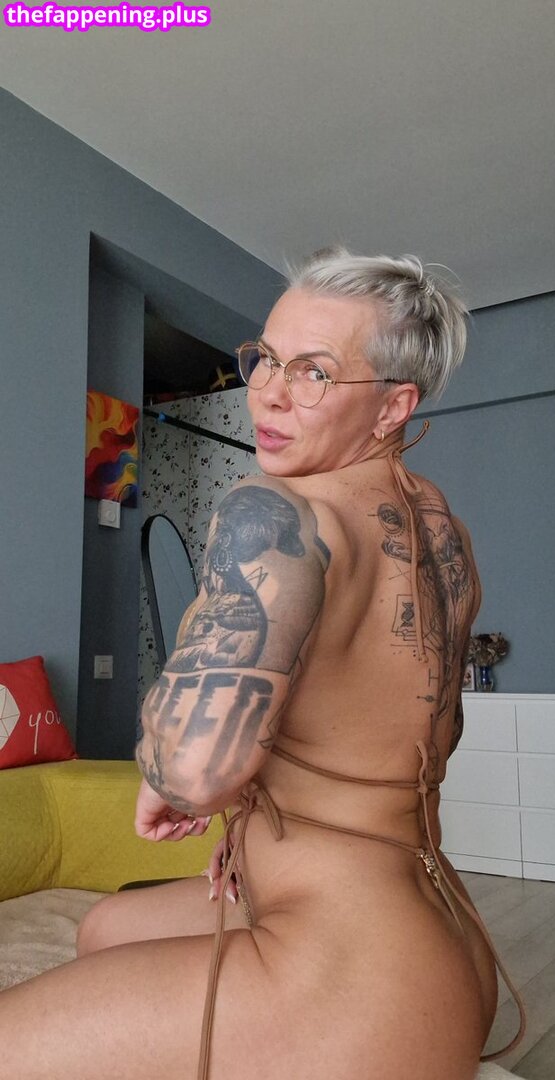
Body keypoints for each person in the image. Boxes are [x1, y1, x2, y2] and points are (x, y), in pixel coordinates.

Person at [0, 247, 524, 1079]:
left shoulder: (273, 510)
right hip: (448, 947)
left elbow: (192, 766)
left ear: (394, 405)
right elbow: (411, 731)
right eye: (267, 358)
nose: (269, 394)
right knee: (105, 930)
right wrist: (250, 817)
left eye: (315, 372)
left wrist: (173, 777)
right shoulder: (442, 533)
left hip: (354, 988)